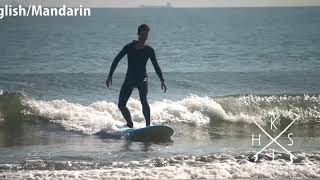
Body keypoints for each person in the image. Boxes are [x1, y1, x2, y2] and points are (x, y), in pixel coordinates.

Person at [106, 24, 167, 128]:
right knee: (121, 104)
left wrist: (162, 80)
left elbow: (156, 65)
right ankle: (130, 123)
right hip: (130, 78)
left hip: (142, 78)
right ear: (138, 34)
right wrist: (110, 75)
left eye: (146, 35)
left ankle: (148, 126)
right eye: (142, 35)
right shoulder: (129, 47)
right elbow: (116, 59)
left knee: (144, 100)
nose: (144, 37)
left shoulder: (149, 50)